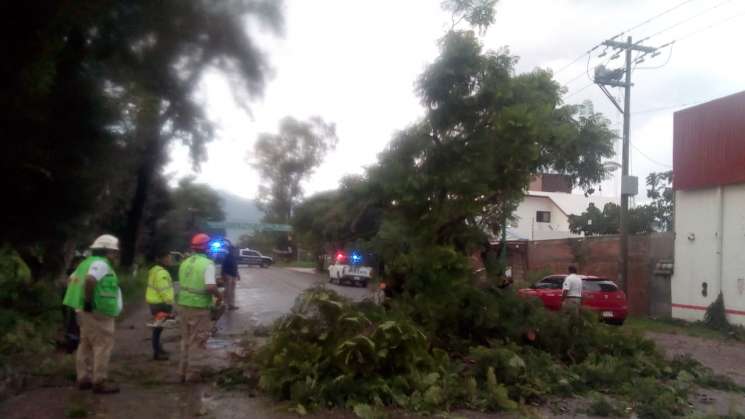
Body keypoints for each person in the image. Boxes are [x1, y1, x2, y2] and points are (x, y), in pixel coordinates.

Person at [62, 234, 123, 394]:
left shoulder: (85, 263)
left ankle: (83, 378)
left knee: (85, 344)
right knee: (102, 345)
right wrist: (89, 301)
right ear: (106, 251)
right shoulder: (101, 264)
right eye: (113, 252)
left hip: (83, 311)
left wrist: (81, 303)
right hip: (98, 312)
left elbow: (70, 280)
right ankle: (100, 381)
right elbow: (90, 280)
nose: (115, 255)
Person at [177, 233, 223, 383]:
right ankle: (193, 373)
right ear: (206, 248)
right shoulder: (208, 264)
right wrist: (219, 295)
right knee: (198, 340)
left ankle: (182, 372)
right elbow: (210, 286)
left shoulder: (185, 262)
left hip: (183, 304)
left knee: (186, 339)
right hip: (199, 306)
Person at [145, 248, 175, 361]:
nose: (170, 259)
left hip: (154, 303)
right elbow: (164, 290)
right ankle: (157, 353)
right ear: (162, 259)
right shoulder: (162, 273)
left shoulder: (154, 270)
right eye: (168, 257)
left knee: (159, 328)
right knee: (158, 329)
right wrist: (170, 303)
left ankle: (158, 350)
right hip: (160, 304)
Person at [221, 243, 240, 310]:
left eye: (234, 249)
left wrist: (238, 274)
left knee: (232, 291)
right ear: (230, 250)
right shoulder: (227, 257)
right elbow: (223, 268)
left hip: (233, 276)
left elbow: (236, 267)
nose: (234, 250)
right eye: (232, 249)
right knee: (227, 291)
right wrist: (223, 276)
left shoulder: (234, 257)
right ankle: (225, 304)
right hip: (228, 276)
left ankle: (231, 305)